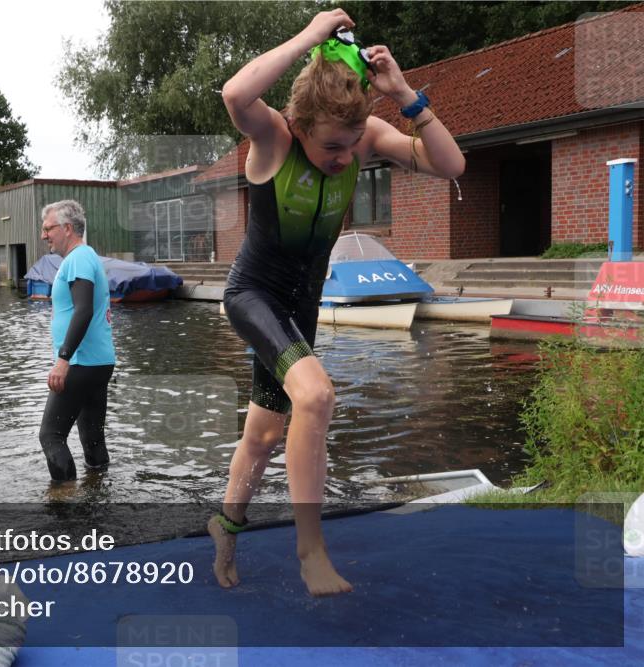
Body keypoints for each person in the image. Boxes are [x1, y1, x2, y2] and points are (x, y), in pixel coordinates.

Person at [209, 8, 464, 597]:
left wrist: (404, 94)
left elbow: (451, 164)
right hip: (253, 294)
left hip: (299, 306)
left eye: (352, 146)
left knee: (264, 434)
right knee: (317, 395)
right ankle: (311, 554)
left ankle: (225, 525)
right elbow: (236, 92)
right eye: (332, 146)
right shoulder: (274, 136)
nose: (346, 158)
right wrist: (312, 33)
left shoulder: (368, 137)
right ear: (300, 127)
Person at [38, 200, 116, 482]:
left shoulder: (79, 258)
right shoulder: (83, 257)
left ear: (67, 228)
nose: (44, 235)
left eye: (48, 228)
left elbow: (83, 309)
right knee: (92, 437)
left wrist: (63, 359)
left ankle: (64, 503)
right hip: (97, 362)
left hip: (81, 362)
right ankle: (98, 498)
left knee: (50, 435)